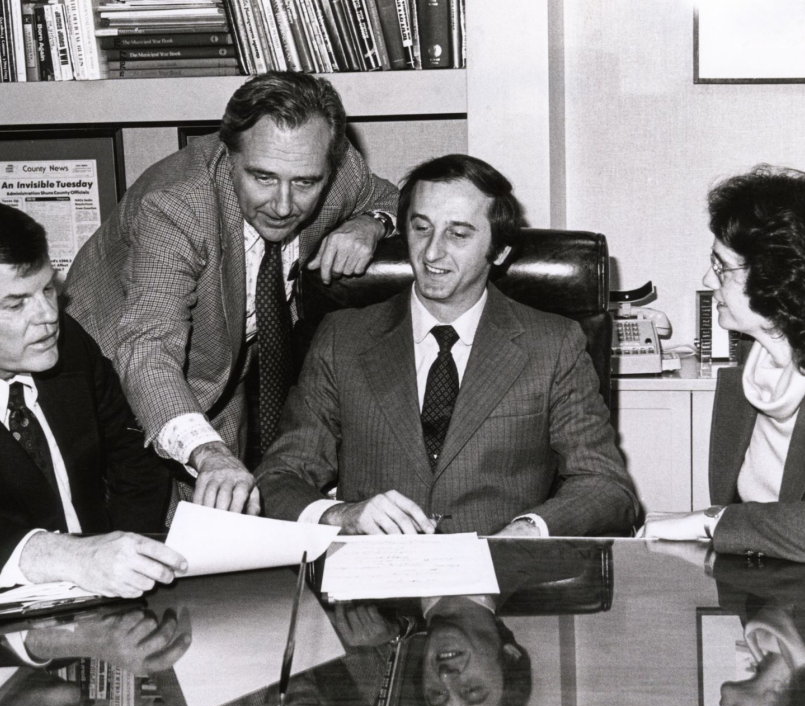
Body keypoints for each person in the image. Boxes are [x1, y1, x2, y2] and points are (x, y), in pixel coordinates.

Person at [64, 71, 398, 515]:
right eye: (263, 177)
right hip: (110, 383)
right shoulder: (177, 204)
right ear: (229, 153)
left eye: (305, 183)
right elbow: (147, 346)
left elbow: (398, 198)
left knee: (221, 541)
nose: (283, 205)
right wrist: (209, 452)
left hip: (219, 376)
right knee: (136, 542)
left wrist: (370, 223)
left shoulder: (338, 171)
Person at [257, 153, 637, 537]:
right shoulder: (343, 338)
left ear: (500, 250)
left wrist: (529, 531)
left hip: (501, 579)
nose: (432, 252)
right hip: (375, 581)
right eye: (422, 228)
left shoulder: (553, 345)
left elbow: (606, 487)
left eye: (458, 234)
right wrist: (341, 515)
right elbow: (278, 477)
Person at [0, 204, 186, 598]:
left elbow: (134, 454)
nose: (49, 315)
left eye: (48, 288)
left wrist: (124, 554)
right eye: (16, 304)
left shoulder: (69, 345)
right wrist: (72, 558)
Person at [644, 166, 805, 562]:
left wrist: (712, 522)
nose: (708, 278)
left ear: (774, 276)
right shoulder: (754, 360)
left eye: (721, 266)